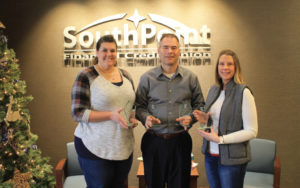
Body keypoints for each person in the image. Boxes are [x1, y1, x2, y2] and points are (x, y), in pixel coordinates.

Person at [135, 33, 205, 188]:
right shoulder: (147, 78)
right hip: (153, 142)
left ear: (179, 51)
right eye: (166, 47)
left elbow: (200, 105)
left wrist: (191, 118)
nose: (170, 51)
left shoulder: (191, 78)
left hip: (180, 142)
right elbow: (139, 106)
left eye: (174, 48)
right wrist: (145, 117)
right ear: (159, 50)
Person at [71, 35, 137, 188]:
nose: (109, 54)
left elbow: (130, 105)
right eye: (104, 50)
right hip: (94, 147)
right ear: (97, 52)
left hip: (122, 147)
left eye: (112, 50)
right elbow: (78, 113)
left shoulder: (126, 75)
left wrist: (131, 118)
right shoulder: (87, 75)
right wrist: (110, 115)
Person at [193, 49, 258, 188]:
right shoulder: (213, 90)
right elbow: (216, 122)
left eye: (230, 64)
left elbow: (252, 131)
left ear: (236, 67)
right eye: (221, 64)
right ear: (217, 67)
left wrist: (221, 140)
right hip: (211, 155)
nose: (225, 67)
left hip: (233, 160)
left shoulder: (244, 92)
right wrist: (205, 119)